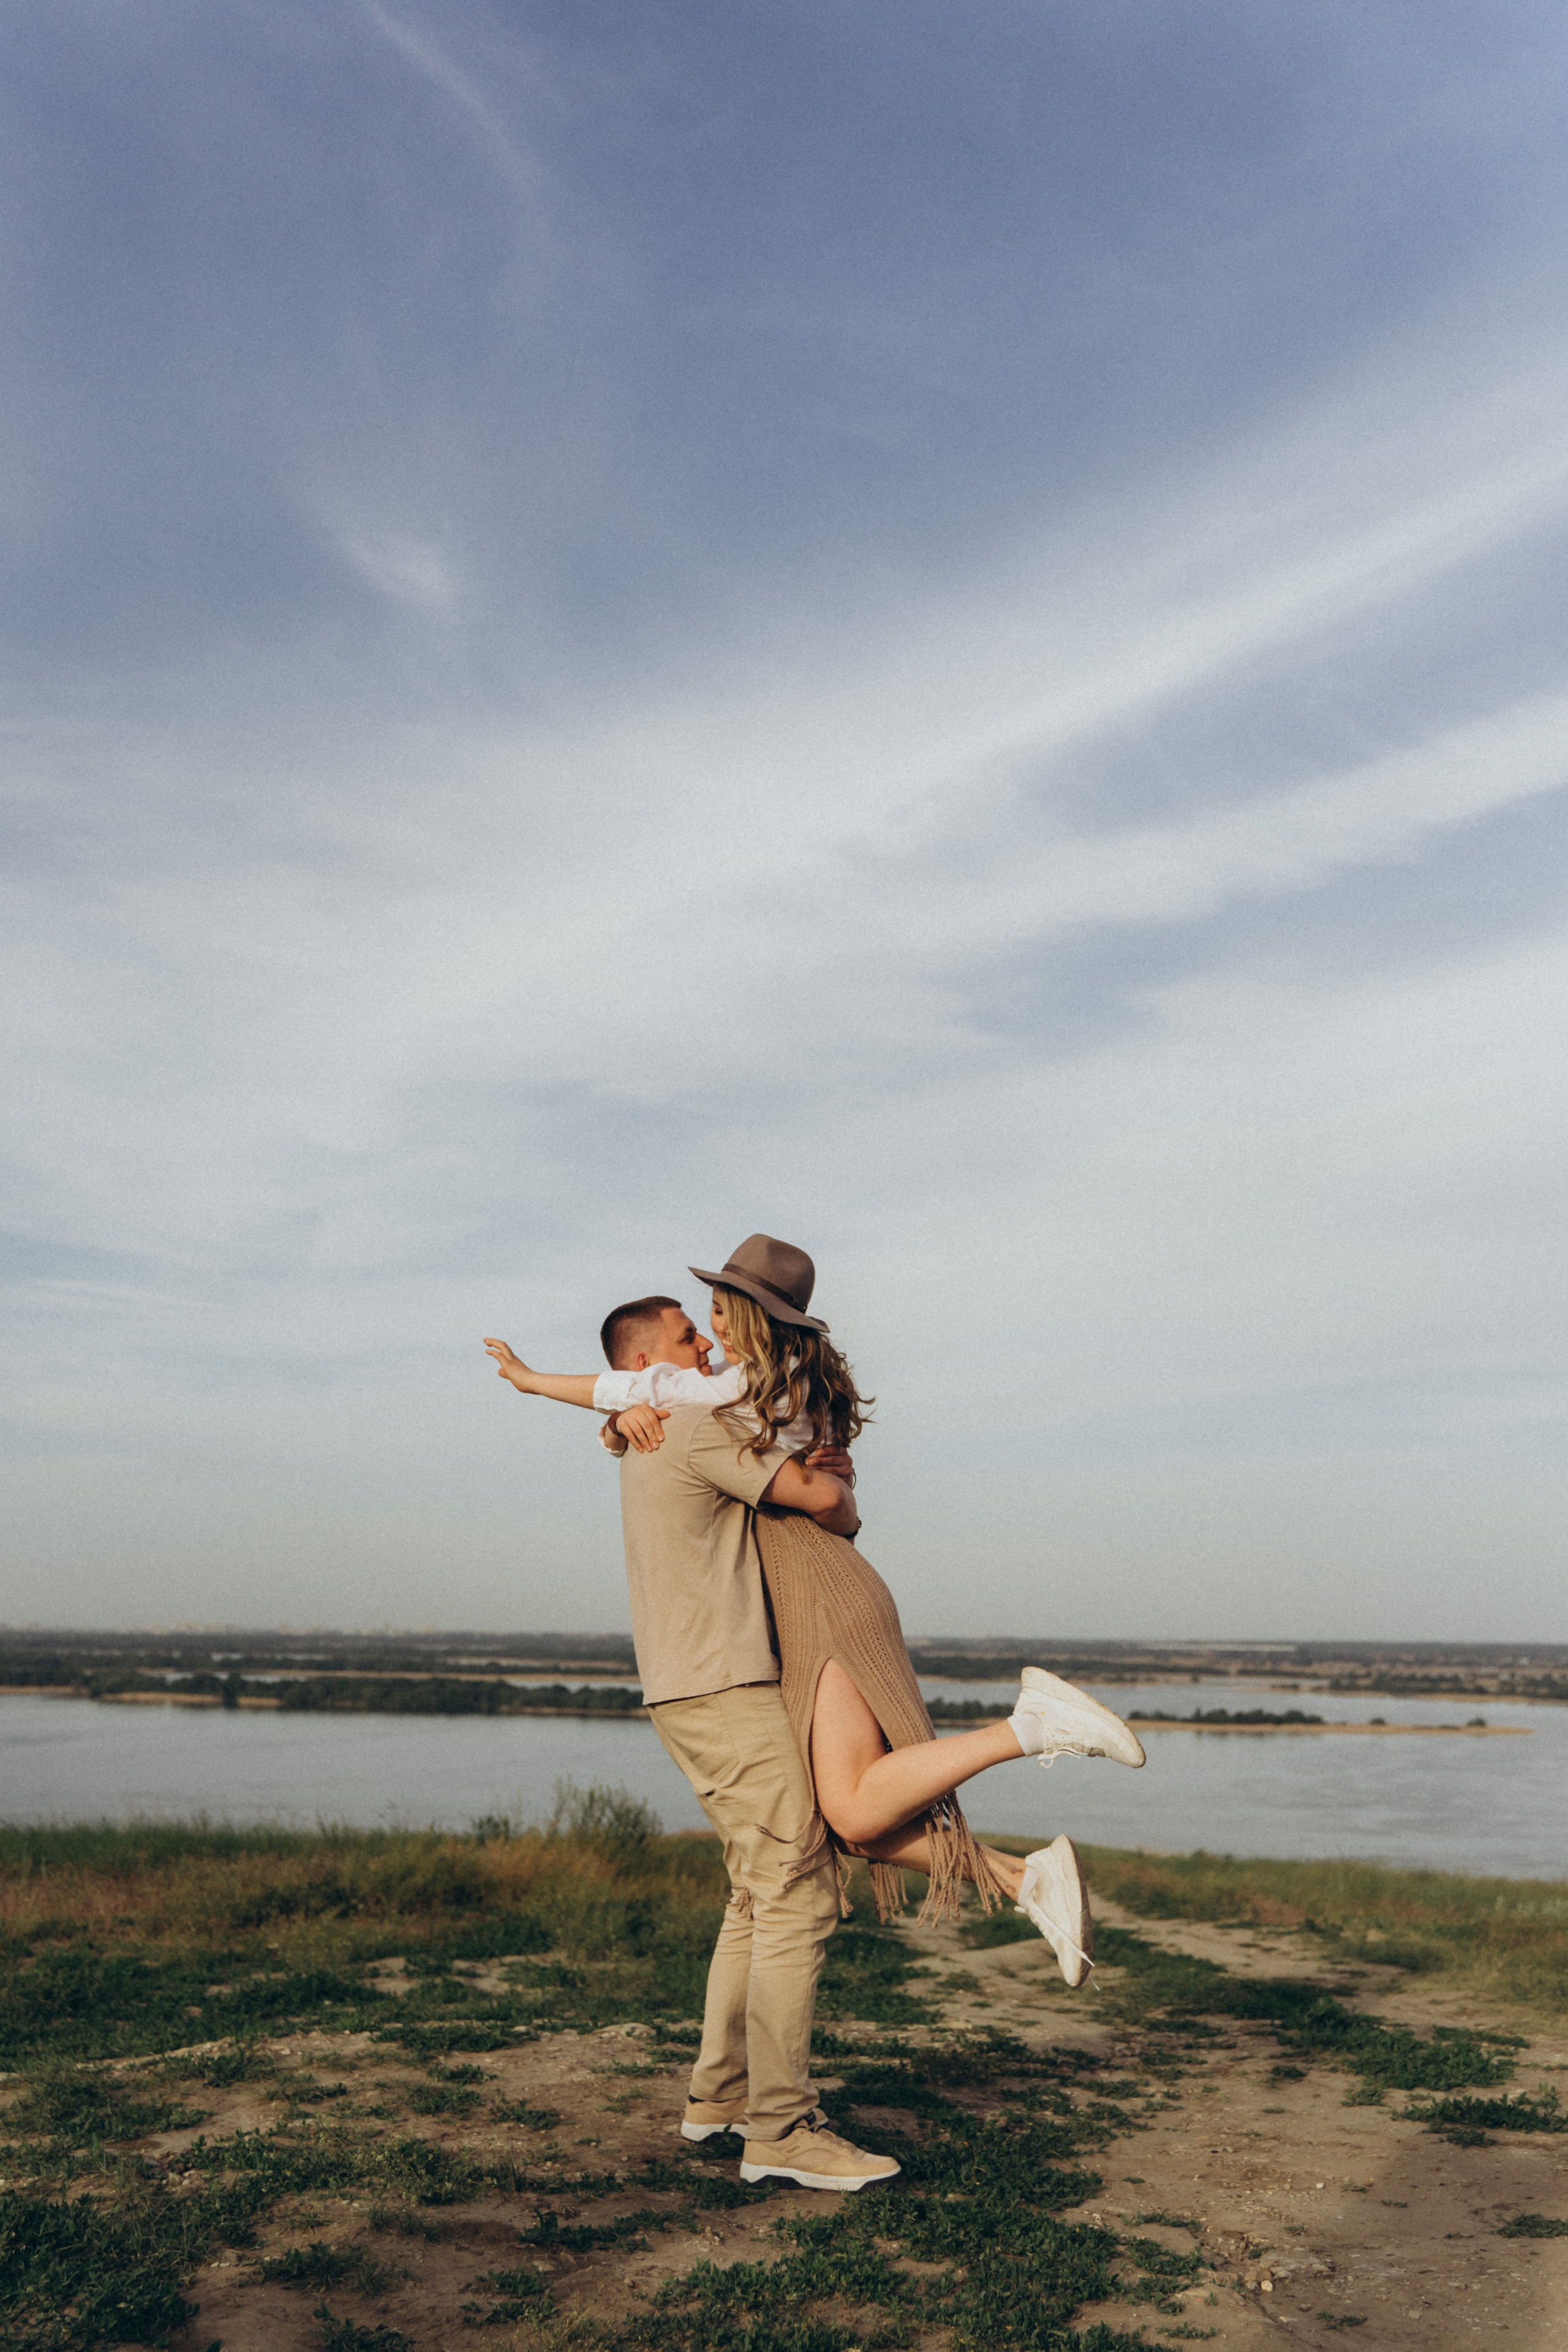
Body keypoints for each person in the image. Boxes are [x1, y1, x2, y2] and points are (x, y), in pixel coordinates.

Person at [484, 1238, 1144, 1991]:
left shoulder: (741, 1393)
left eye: (718, 1315)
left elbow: (807, 1487)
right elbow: (658, 1404)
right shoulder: (769, 1387)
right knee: (849, 1823)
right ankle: (1025, 1879)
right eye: (699, 1321)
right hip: (802, 1603)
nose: (709, 1333)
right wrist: (620, 1421)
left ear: (751, 1317)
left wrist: (553, 1389)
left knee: (856, 1812)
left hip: (820, 1590)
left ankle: (1033, 1727)